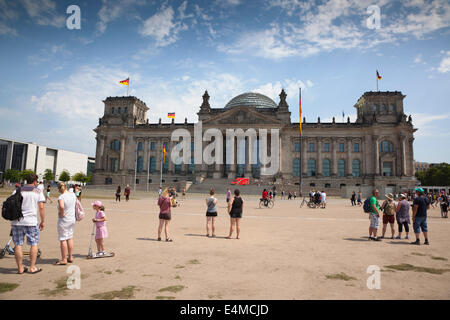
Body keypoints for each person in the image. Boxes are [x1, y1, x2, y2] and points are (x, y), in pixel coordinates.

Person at [11, 173, 45, 274]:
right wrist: (43, 221)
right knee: (34, 243)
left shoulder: (18, 190)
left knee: (18, 244)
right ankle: (32, 267)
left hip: (17, 221)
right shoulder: (37, 191)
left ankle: (20, 268)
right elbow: (41, 207)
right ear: (35, 182)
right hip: (31, 221)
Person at [54, 182, 77, 265]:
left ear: (59, 188)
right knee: (70, 238)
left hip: (64, 220)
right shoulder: (73, 195)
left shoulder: (61, 197)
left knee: (63, 239)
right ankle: (70, 257)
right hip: (72, 219)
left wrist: (61, 213)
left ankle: (64, 259)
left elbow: (62, 206)